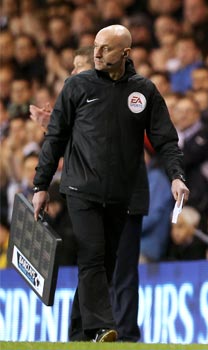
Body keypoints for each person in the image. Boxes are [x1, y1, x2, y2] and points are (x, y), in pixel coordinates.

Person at [31, 25, 189, 342]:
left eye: (106, 48)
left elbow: (166, 140)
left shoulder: (144, 91)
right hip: (80, 189)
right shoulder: (77, 86)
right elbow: (55, 138)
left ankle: (77, 334)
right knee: (91, 253)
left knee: (103, 262)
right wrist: (40, 186)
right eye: (96, 46)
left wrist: (176, 176)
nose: (98, 53)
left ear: (125, 53)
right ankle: (103, 326)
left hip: (121, 194)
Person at [29, 45, 149, 342]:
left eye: (76, 67)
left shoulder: (120, 93)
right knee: (93, 264)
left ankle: (125, 334)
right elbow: (88, 145)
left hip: (124, 195)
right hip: (92, 193)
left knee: (117, 270)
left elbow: (107, 142)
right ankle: (81, 332)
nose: (71, 74)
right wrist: (54, 126)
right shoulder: (81, 98)